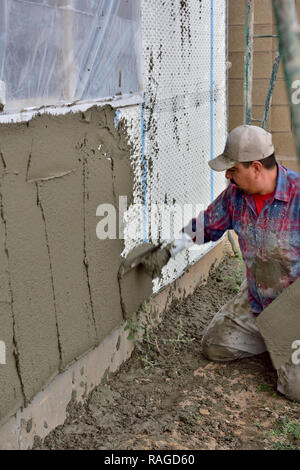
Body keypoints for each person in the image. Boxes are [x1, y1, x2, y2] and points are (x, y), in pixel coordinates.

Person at [180, 124, 300, 402]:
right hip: (259, 299)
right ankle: (273, 341)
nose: (227, 175)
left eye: (233, 169)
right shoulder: (235, 198)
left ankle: (283, 342)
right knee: (216, 345)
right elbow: (206, 226)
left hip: (294, 308)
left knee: (296, 389)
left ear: (256, 167)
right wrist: (166, 249)